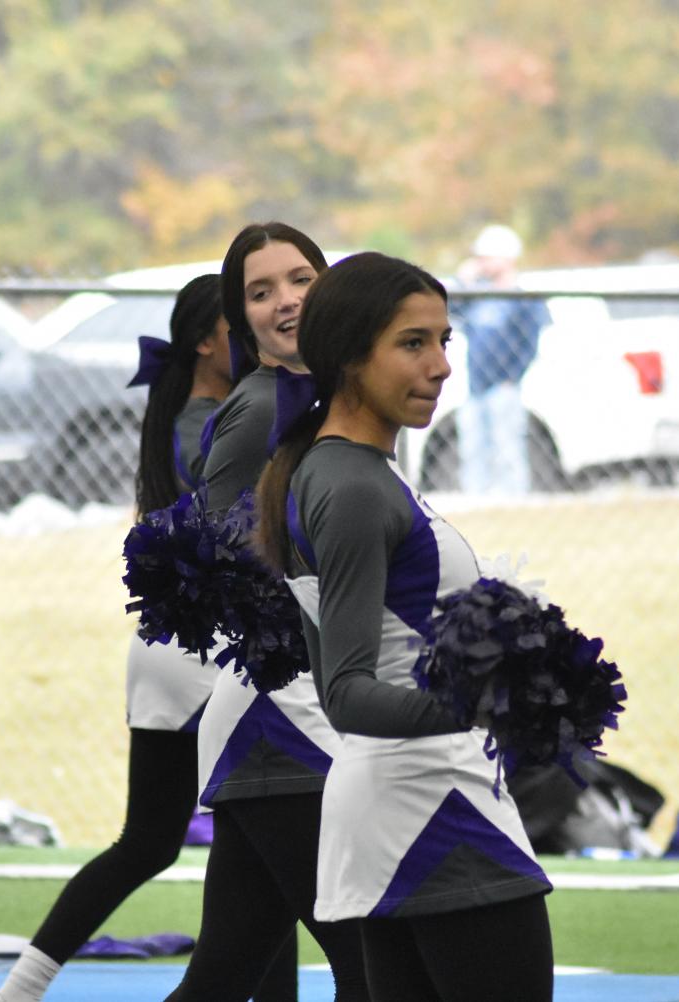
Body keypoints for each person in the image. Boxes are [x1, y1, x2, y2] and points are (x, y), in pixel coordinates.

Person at [0, 276, 297, 1002]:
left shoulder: (201, 413)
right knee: (218, 841)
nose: (255, 335)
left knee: (216, 846)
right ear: (205, 341)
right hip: (203, 650)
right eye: (240, 323)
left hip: (182, 646)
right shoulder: (210, 423)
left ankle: (20, 988)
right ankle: (19, 989)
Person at [256, 252, 554, 1001]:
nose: (443, 366)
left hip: (406, 801)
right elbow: (349, 691)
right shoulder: (351, 485)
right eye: (413, 344)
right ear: (350, 356)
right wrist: (490, 700)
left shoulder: (344, 470)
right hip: (434, 807)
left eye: (444, 340)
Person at [163, 223, 368, 1001]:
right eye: (260, 291)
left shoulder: (329, 395)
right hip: (277, 714)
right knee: (369, 958)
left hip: (301, 710)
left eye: (299, 280)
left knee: (223, 974)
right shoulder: (262, 407)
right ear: (239, 318)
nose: (284, 302)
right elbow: (208, 557)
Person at [453, 223, 550, 496]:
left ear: (507, 258)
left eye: (487, 257)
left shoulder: (522, 298)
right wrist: (462, 284)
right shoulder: (476, 294)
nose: (480, 263)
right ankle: (477, 498)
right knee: (473, 448)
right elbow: (448, 312)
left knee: (507, 447)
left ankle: (513, 497)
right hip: (475, 386)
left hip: (504, 386)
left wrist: (512, 378)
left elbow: (529, 344)